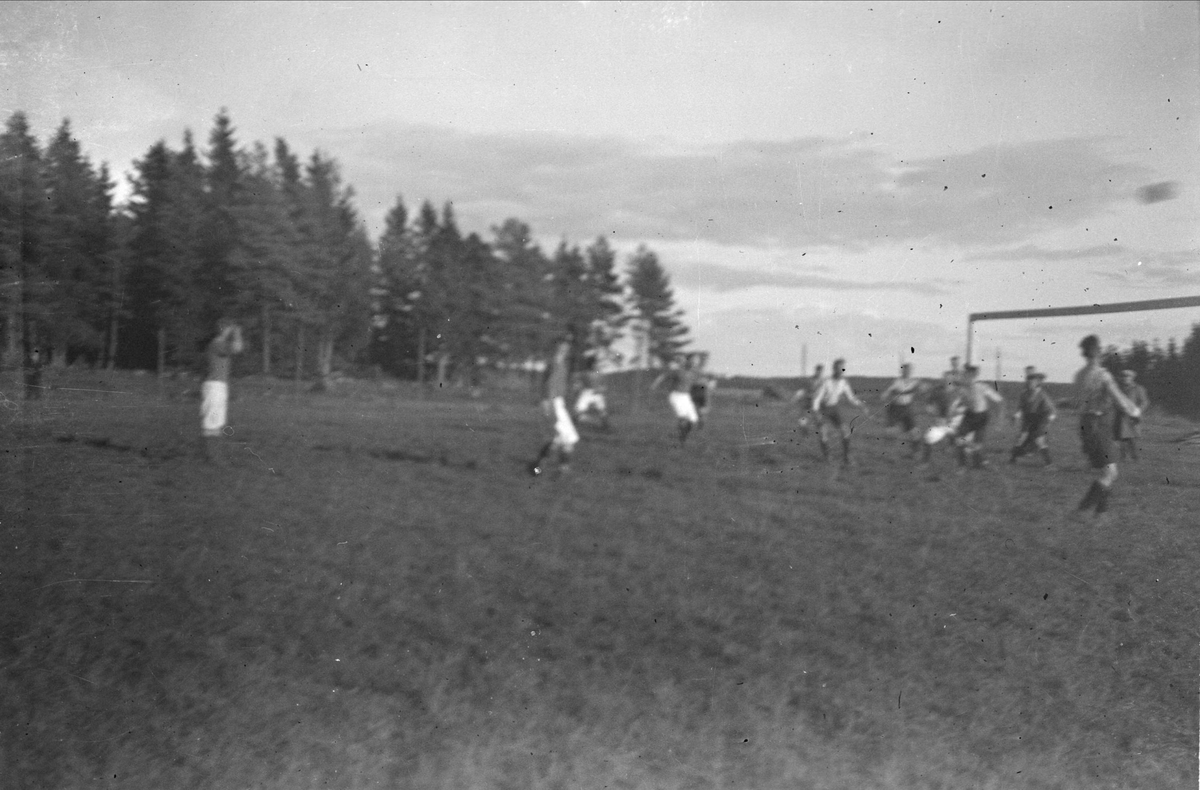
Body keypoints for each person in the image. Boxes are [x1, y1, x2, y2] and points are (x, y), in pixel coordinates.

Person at [1074, 335, 1141, 518]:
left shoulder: (1079, 375)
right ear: (1098, 352)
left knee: (1107, 471)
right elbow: (1119, 399)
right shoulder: (1102, 375)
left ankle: (1100, 513)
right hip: (1099, 425)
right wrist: (1134, 411)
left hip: (1085, 425)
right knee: (1110, 473)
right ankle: (1082, 509)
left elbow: (1078, 402)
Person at [529, 337, 580, 477]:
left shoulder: (562, 364)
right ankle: (563, 469)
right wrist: (548, 404)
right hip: (554, 403)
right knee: (569, 438)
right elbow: (548, 385)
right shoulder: (554, 364)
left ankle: (537, 467)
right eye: (562, 347)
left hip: (558, 403)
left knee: (557, 439)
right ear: (556, 348)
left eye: (566, 348)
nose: (565, 350)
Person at [200, 318, 245, 462]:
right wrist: (237, 333)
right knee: (212, 421)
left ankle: (215, 455)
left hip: (219, 385)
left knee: (217, 421)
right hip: (214, 386)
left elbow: (235, 348)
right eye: (229, 328)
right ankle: (211, 456)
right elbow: (237, 348)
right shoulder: (217, 343)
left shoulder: (220, 343)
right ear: (224, 329)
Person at [810, 358, 866, 466]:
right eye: (838, 368)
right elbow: (816, 399)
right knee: (823, 433)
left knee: (845, 432)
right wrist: (816, 413)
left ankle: (846, 457)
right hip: (823, 409)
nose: (841, 371)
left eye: (842, 368)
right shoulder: (826, 382)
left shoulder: (843, 382)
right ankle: (827, 457)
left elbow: (851, 398)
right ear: (834, 369)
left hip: (834, 409)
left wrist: (860, 404)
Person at [954, 364, 1006, 468]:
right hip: (969, 415)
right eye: (965, 374)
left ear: (974, 375)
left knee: (977, 443)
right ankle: (962, 465)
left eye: (968, 374)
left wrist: (1000, 419)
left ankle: (978, 463)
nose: (965, 376)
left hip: (981, 417)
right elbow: (961, 402)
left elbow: (1000, 401)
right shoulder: (961, 388)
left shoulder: (982, 387)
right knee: (959, 439)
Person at [1009, 369, 1057, 467]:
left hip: (1040, 419)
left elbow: (1052, 410)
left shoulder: (1042, 395)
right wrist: (1016, 416)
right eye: (1029, 382)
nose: (1030, 384)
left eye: (1032, 382)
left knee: (1039, 440)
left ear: (1037, 383)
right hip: (1028, 419)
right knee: (1021, 439)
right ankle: (1012, 460)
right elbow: (1021, 408)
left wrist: (1049, 420)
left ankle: (1049, 463)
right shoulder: (1024, 394)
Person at [918, 368, 965, 465]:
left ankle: (962, 465)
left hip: (954, 422)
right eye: (945, 378)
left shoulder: (959, 392)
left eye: (949, 378)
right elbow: (929, 404)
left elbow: (964, 406)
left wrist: (956, 415)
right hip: (941, 421)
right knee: (928, 439)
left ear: (952, 379)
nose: (947, 380)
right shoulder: (937, 391)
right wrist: (935, 415)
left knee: (960, 441)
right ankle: (925, 462)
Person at [651, 354, 701, 444]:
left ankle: (683, 436)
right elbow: (663, 376)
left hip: (686, 397)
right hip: (676, 396)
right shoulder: (678, 371)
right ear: (688, 361)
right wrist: (654, 385)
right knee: (683, 419)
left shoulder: (695, 373)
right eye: (693, 360)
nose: (695, 363)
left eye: (697, 361)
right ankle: (682, 440)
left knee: (693, 420)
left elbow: (698, 383)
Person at [882, 362, 923, 453]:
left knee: (914, 432)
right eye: (905, 370)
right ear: (902, 371)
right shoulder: (897, 382)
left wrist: (922, 388)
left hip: (907, 409)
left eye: (908, 370)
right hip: (896, 408)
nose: (907, 372)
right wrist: (886, 396)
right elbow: (887, 392)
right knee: (890, 432)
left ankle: (915, 452)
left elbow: (922, 389)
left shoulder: (914, 382)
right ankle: (889, 450)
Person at [1114, 369, 1150, 461]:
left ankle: (1135, 457)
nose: (1125, 379)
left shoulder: (1138, 388)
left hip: (1132, 417)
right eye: (1123, 377)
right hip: (1120, 416)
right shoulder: (1117, 389)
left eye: (1127, 377)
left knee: (1132, 438)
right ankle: (1123, 457)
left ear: (1132, 378)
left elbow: (1144, 402)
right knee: (1121, 438)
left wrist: (1138, 410)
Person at [573, 358, 610, 431]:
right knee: (577, 411)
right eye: (594, 363)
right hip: (587, 393)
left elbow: (604, 386)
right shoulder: (585, 374)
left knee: (602, 410)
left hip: (597, 393)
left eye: (596, 363)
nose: (596, 365)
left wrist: (601, 389)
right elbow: (578, 382)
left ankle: (605, 426)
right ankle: (578, 423)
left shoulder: (599, 374)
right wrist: (577, 386)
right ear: (591, 364)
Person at [688, 352, 715, 428]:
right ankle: (693, 421)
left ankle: (701, 422)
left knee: (703, 408)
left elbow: (712, 380)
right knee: (694, 407)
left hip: (704, 389)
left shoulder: (707, 369)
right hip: (695, 388)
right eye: (703, 358)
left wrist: (710, 386)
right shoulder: (694, 368)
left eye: (706, 359)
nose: (705, 360)